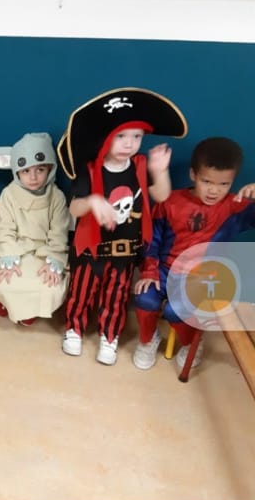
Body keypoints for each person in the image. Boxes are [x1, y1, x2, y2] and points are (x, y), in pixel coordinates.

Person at [58, 87, 187, 364]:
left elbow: (162, 195)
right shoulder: (89, 168)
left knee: (116, 297)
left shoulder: (140, 165)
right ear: (106, 136)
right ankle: (74, 330)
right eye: (121, 136)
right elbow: (74, 207)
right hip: (90, 250)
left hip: (125, 250)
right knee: (81, 294)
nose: (129, 144)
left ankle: (109, 336)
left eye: (137, 137)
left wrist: (160, 172)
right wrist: (93, 201)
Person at [132, 137, 255, 374]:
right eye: (206, 181)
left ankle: (191, 344)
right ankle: (148, 339)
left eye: (223, 184)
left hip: (202, 276)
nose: (214, 190)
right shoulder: (170, 201)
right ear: (193, 175)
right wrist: (149, 271)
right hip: (164, 269)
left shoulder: (235, 206)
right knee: (145, 298)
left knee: (175, 310)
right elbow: (151, 239)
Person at [0, 133, 70, 325]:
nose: (33, 177)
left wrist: (54, 259)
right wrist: (9, 255)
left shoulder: (57, 197)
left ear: (50, 168)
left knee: (49, 283)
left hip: (43, 252)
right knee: (6, 278)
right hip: (16, 249)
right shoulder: (9, 194)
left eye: (40, 169)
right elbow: (6, 230)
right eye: (26, 171)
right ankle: (8, 303)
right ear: (17, 172)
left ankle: (30, 310)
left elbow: (58, 233)